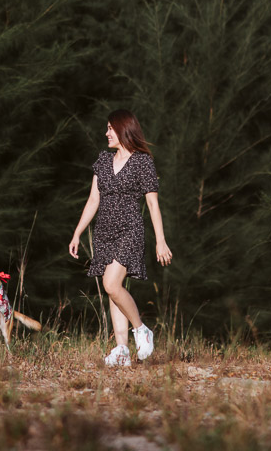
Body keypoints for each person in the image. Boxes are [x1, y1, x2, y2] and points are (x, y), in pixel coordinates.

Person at [68, 109, 173, 366]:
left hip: (130, 230)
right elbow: (94, 199)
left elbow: (152, 204)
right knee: (113, 291)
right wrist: (77, 232)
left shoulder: (143, 162)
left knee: (111, 285)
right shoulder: (103, 160)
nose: (106, 133)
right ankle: (122, 350)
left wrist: (160, 240)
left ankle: (141, 330)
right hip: (104, 233)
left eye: (110, 129)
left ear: (123, 129)